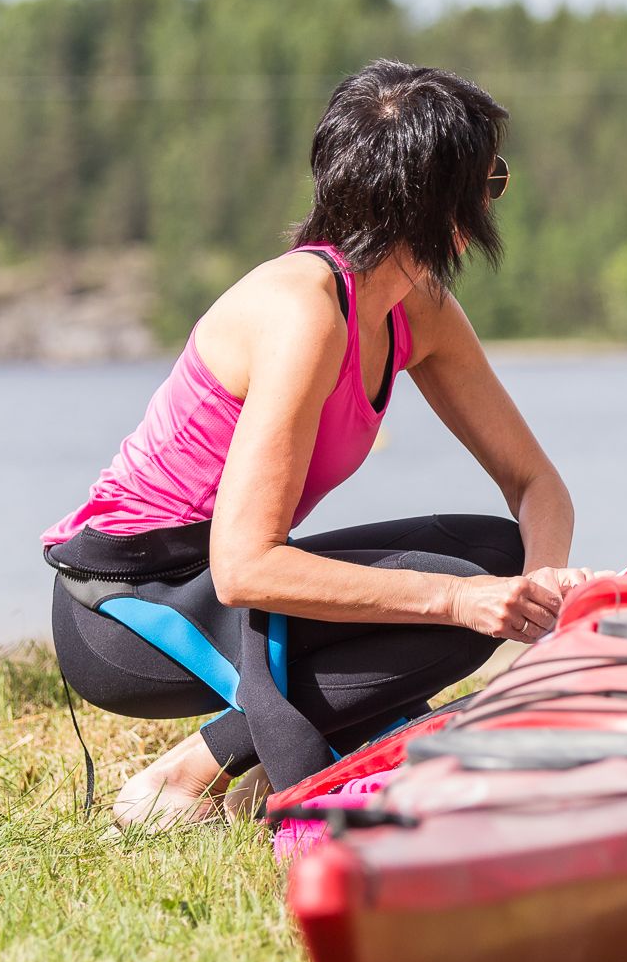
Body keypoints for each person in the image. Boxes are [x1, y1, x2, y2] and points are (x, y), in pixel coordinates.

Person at [42, 60, 592, 826]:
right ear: (438, 204)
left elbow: (537, 484)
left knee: (495, 557)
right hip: (128, 610)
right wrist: (464, 601)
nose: (492, 199)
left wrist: (543, 597)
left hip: (221, 587)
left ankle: (253, 760)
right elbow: (246, 567)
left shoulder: (415, 308)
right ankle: (190, 772)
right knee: (460, 600)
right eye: (487, 179)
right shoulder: (304, 310)